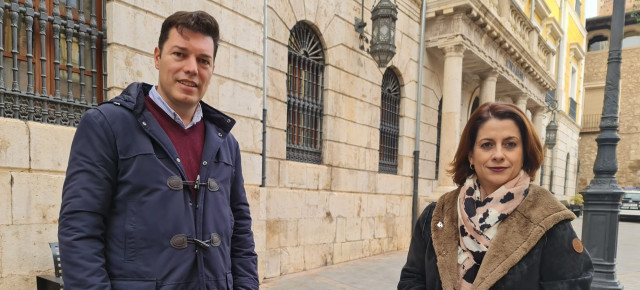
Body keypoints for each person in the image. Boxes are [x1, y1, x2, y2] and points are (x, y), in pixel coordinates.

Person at [58, 11, 259, 290]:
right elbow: (79, 230)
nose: (192, 68)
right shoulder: (107, 126)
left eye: (203, 60)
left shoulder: (226, 142)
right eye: (179, 54)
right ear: (157, 57)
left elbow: (241, 232)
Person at [398, 102, 593, 289]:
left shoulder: (549, 222)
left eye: (510, 144)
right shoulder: (436, 215)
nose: (498, 154)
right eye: (487, 145)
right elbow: (412, 278)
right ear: (471, 156)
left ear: (524, 153)